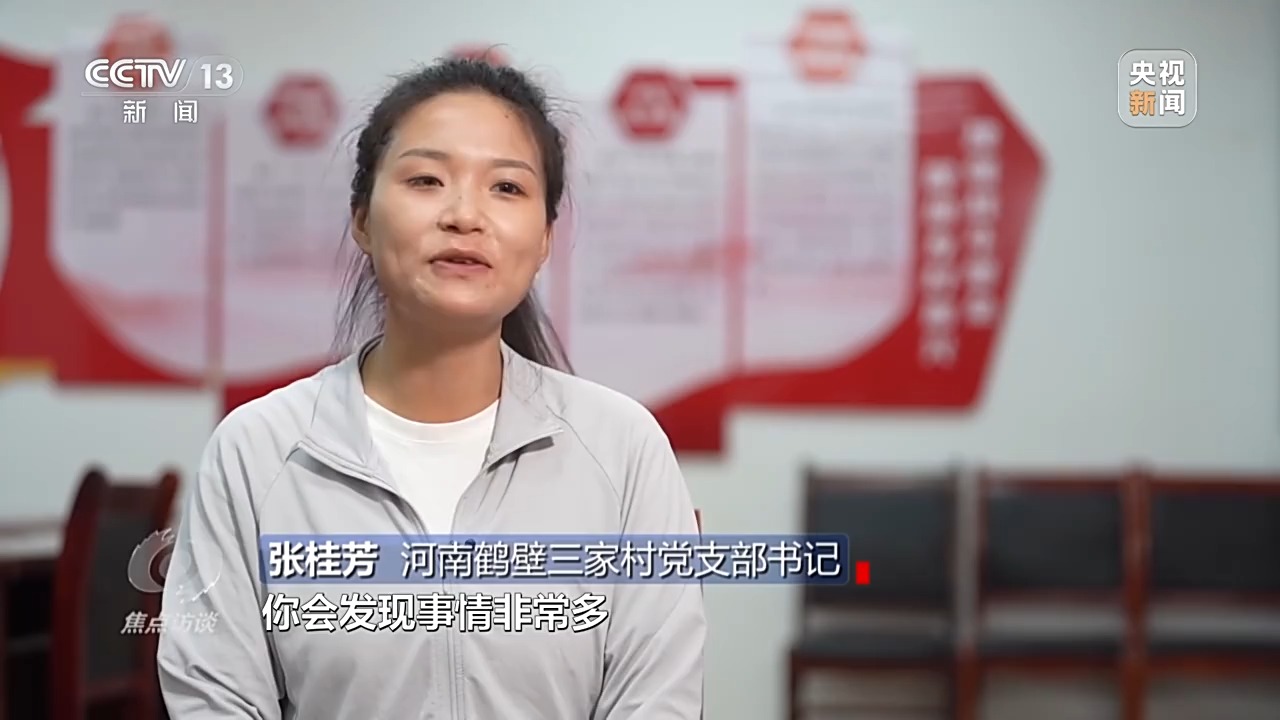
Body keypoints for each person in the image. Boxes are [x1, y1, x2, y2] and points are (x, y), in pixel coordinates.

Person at [157, 57, 706, 719]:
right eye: (426, 180)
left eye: (506, 187)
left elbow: (657, 699)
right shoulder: (258, 452)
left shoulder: (622, 450)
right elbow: (215, 698)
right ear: (362, 218)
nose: (465, 215)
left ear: (544, 240)